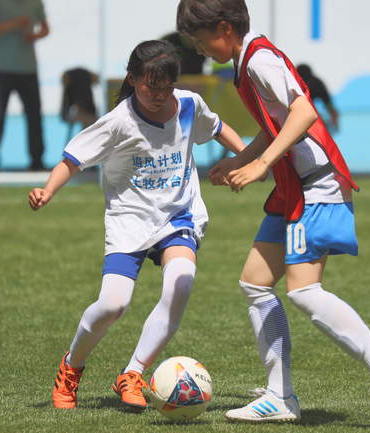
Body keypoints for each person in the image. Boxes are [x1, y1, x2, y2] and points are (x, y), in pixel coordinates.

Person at [176, 0, 370, 430]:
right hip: (293, 189)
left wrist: (262, 164)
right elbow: (276, 123)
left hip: (316, 185)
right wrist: (240, 159)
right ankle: (279, 396)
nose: (200, 50)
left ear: (225, 28)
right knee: (254, 282)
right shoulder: (245, 59)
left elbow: (304, 111)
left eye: (200, 40)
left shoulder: (259, 59)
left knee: (304, 290)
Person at [28, 40, 246, 410]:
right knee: (114, 305)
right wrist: (47, 190)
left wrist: (249, 159)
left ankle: (133, 372)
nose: (159, 95)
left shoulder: (190, 105)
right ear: (132, 78)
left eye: (166, 87)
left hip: (178, 216)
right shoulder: (118, 122)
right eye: (150, 86)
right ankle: (71, 366)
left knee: (180, 286)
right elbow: (72, 159)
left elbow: (220, 128)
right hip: (129, 221)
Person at [0, 0, 49, 172]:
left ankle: (37, 161)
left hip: (28, 68)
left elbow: (45, 28)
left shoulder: (35, 3)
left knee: (34, 116)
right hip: (1, 67)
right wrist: (14, 24)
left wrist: (34, 36)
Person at [296, 64, 339, 133]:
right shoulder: (292, 84)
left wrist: (334, 122)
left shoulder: (317, 85)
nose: (305, 85)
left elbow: (330, 107)